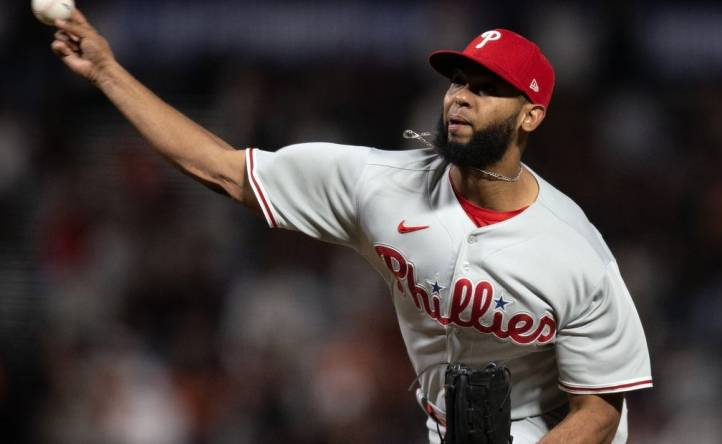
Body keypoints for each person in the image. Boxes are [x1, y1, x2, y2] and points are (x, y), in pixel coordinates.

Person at [51, 10, 652, 444]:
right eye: (459, 82)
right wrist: (106, 71)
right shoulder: (379, 186)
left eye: (487, 89)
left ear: (531, 115)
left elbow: (598, 411)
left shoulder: (576, 252)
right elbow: (226, 171)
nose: (461, 98)